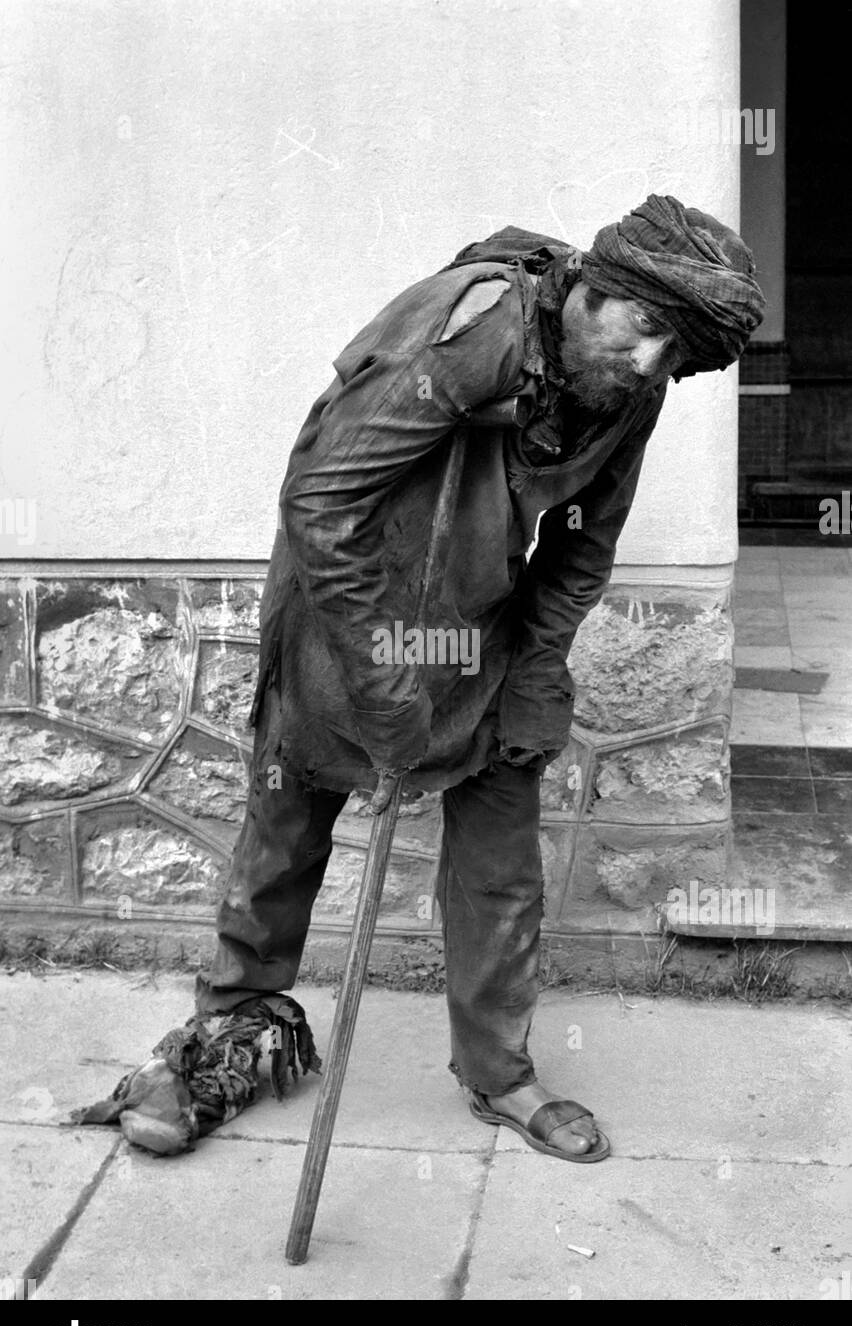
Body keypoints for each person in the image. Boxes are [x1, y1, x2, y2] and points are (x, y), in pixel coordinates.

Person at [195, 194, 765, 1161]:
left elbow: (584, 545)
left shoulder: (632, 379)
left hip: (479, 627)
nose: (652, 364)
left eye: (679, 355)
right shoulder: (469, 328)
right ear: (597, 287)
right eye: (649, 332)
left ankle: (499, 1071)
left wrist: (539, 669)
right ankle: (230, 1034)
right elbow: (322, 503)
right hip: (353, 610)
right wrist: (384, 688)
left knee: (501, 855)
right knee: (288, 825)